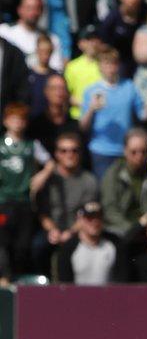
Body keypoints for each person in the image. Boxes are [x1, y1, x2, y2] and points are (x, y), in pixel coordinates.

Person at [31, 131, 98, 276]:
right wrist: (52, 230)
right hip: (51, 228)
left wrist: (71, 232)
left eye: (74, 150)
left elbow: (88, 213)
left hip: (79, 230)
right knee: (37, 246)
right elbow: (42, 212)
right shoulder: (48, 179)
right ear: (56, 154)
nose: (70, 154)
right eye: (64, 150)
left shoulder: (89, 180)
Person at [80, 48, 146, 180]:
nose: (110, 67)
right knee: (105, 192)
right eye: (106, 63)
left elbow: (143, 115)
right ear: (99, 66)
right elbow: (83, 127)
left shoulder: (129, 87)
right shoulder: (91, 91)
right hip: (100, 150)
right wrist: (91, 109)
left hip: (126, 150)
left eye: (113, 63)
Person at [1, 101, 49, 280]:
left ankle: (18, 278)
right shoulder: (1, 145)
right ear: (6, 121)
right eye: (13, 119)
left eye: (21, 119)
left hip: (24, 202)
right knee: (3, 240)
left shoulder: (31, 145)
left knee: (23, 244)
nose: (17, 123)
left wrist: (41, 175)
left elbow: (50, 163)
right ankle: (4, 277)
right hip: (4, 202)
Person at [100, 127, 147, 237]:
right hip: (120, 231)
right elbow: (110, 210)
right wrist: (133, 230)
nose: (139, 156)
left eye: (143, 151)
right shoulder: (113, 174)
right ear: (125, 151)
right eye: (134, 152)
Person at [54, 200, 120, 284]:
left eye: (98, 217)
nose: (95, 222)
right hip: (77, 296)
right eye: (89, 218)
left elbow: (121, 280)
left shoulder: (115, 244)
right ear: (80, 220)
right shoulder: (68, 248)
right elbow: (64, 284)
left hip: (109, 296)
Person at [0, 0, 65, 71]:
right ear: (19, 9)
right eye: (29, 8)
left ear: (42, 11)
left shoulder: (52, 39)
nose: (33, 12)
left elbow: (56, 70)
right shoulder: (4, 32)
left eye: (37, 8)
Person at [63, 24, 103, 120]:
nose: (93, 43)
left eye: (96, 39)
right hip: (79, 116)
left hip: (102, 116)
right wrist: (87, 105)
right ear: (80, 44)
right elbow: (66, 94)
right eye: (89, 39)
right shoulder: (72, 67)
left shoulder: (105, 64)